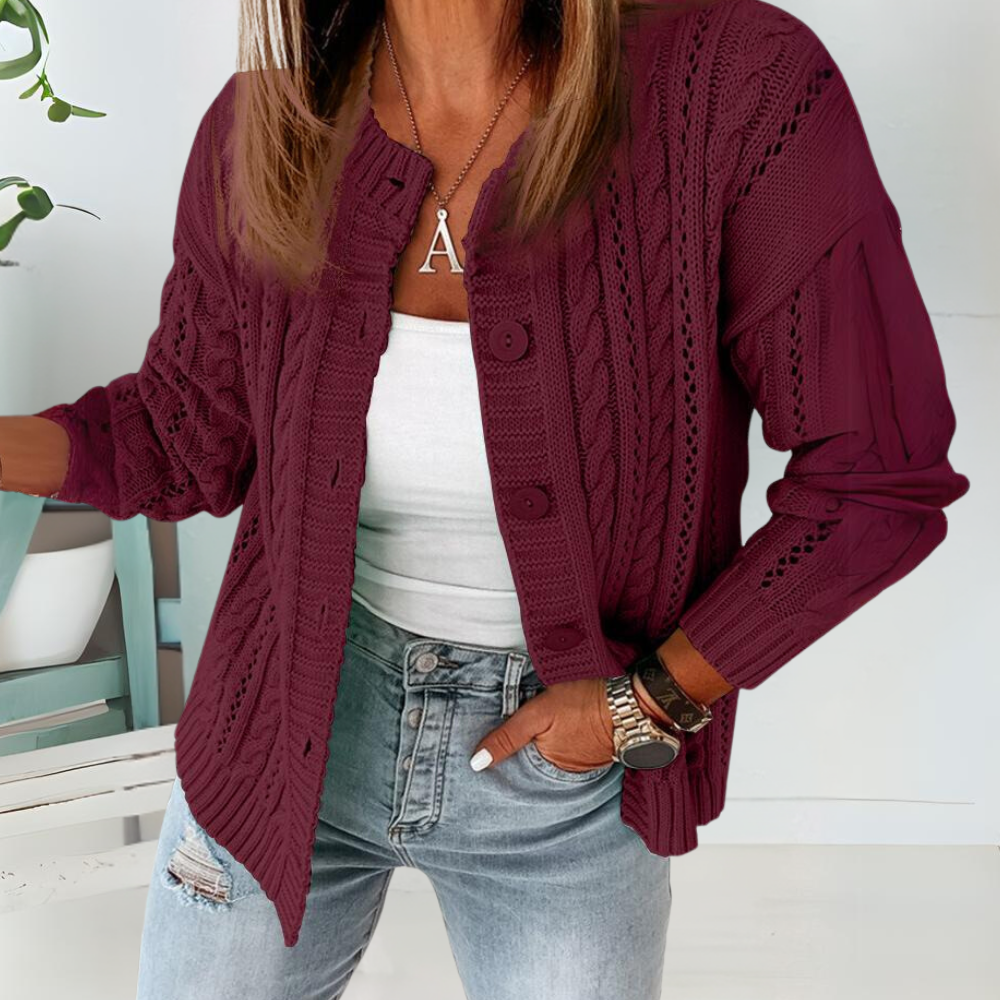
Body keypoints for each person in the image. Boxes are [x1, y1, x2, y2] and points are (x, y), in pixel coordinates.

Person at [0, 1, 970, 997]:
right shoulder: (268, 127)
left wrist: (644, 705)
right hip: (279, 738)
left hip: (568, 783)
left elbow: (877, 475)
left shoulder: (732, 89)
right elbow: (183, 430)